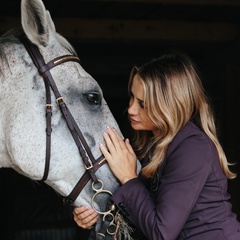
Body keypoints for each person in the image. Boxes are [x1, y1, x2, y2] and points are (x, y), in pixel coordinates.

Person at [73, 52, 240, 239]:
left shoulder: (192, 148)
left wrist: (128, 177)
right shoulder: (155, 146)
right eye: (132, 97)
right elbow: (143, 215)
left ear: (169, 106)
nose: (131, 109)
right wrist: (94, 215)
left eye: (143, 104)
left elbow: (161, 232)